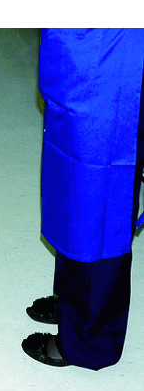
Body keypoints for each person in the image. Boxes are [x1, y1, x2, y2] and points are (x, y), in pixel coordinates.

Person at [22, 28, 144, 370]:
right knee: (73, 181)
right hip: (82, 43)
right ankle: (75, 302)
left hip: (115, 48)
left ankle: (89, 338)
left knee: (100, 191)